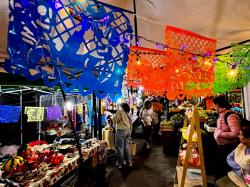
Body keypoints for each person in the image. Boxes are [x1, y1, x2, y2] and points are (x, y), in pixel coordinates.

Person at [213, 95, 241, 180]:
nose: (213, 107)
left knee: (224, 171)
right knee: (219, 170)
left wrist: (219, 134)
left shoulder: (230, 116)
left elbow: (236, 133)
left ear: (217, 105)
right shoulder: (222, 114)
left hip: (229, 148)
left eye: (214, 105)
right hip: (223, 147)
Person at [215, 120, 250, 187]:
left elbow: (247, 175)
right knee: (218, 182)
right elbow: (229, 158)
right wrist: (240, 168)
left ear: (248, 139)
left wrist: (239, 170)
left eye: (241, 135)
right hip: (235, 175)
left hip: (245, 182)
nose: (238, 136)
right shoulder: (241, 146)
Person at [112, 103, 132, 168]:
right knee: (126, 147)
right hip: (128, 131)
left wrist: (111, 118)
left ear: (122, 107)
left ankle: (120, 163)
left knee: (120, 147)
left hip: (121, 131)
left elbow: (114, 120)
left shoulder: (120, 112)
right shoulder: (128, 112)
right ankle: (129, 162)